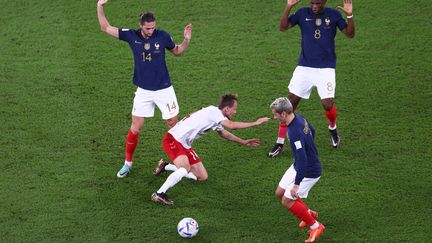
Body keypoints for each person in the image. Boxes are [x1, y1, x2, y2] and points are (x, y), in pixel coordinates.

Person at [96, 0, 193, 177]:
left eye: (153, 27)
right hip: (144, 91)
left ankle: (182, 160)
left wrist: (186, 40)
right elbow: (105, 27)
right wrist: (99, 6)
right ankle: (127, 163)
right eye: (148, 28)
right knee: (136, 127)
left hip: (164, 89)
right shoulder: (131, 36)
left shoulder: (162, 36)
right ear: (141, 26)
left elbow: (177, 51)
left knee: (174, 125)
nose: (151, 31)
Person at [268, 0, 355, 157]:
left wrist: (349, 15)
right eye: (312, 3)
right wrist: (289, 6)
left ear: (324, 2)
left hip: (326, 69)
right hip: (304, 68)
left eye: (318, 3)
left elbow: (350, 34)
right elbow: (283, 27)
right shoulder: (302, 13)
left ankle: (332, 128)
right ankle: (279, 143)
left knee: (327, 104)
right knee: (289, 105)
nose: (315, 6)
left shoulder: (334, 15)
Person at [151, 94, 270, 205]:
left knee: (202, 177)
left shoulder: (215, 115)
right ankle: (159, 193)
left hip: (184, 144)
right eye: (234, 109)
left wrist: (243, 142)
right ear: (227, 109)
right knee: (185, 168)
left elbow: (224, 133)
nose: (235, 111)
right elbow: (232, 126)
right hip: (174, 139)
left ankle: (165, 166)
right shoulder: (215, 112)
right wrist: (255, 123)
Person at [270, 97, 325, 242]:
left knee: (287, 200)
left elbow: (303, 160)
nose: (274, 117)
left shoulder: (294, 132)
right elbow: (312, 131)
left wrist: (296, 184)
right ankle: (308, 214)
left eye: (276, 114)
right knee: (279, 193)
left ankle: (316, 226)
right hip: (299, 165)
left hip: (309, 171)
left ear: (284, 114)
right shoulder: (299, 118)